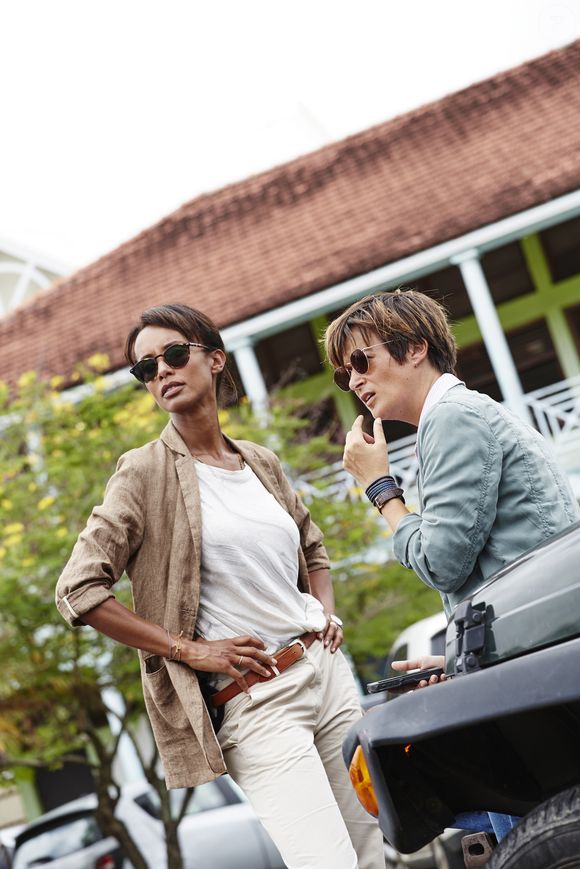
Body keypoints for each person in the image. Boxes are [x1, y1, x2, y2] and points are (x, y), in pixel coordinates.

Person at [55, 304, 384, 869]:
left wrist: (324, 613)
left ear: (214, 359)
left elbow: (312, 544)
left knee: (372, 853)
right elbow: (77, 590)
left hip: (327, 678)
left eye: (174, 354)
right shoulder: (143, 473)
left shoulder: (260, 461)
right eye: (145, 367)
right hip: (258, 702)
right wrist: (190, 649)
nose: (161, 371)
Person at [324, 287, 579, 841]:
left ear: (414, 347)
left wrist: (380, 488)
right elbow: (491, 563)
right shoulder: (458, 416)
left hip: (530, 675)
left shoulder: (451, 419)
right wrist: (454, 661)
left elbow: (441, 562)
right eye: (345, 374)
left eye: (362, 361)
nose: (355, 382)